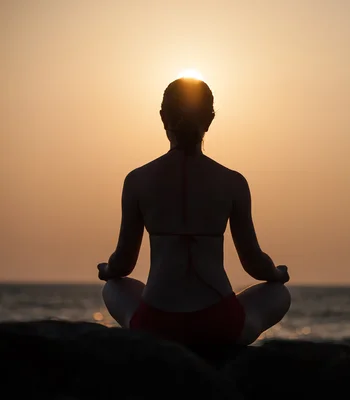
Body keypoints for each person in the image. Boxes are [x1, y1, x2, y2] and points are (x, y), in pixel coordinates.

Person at [97, 77, 291, 349]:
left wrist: (107, 269)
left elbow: (123, 264)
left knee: (113, 286)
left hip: (156, 326)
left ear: (163, 117)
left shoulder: (137, 180)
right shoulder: (232, 182)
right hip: (220, 326)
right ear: (209, 120)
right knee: (278, 294)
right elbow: (254, 264)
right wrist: (276, 273)